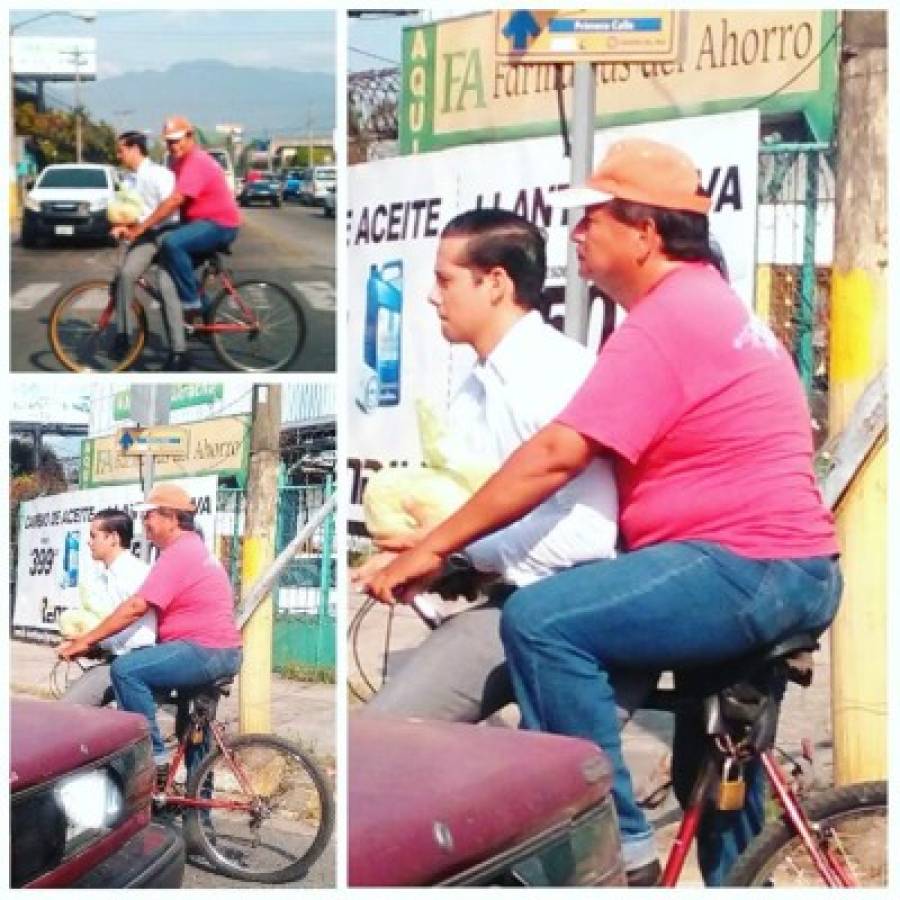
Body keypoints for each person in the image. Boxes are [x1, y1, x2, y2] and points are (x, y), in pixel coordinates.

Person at [361, 138, 841, 886]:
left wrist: (437, 547)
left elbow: (558, 455)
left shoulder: (667, 321)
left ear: (645, 233)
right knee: (713, 777)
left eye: (594, 221)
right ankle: (747, 877)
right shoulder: (713, 308)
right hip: (780, 568)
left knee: (543, 621)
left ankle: (617, 849)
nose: (577, 237)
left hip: (743, 565)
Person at [354, 208, 618, 722]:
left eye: (444, 279)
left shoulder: (558, 373)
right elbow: (487, 520)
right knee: (384, 738)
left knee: (558, 787)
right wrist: (428, 562)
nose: (433, 296)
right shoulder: (476, 388)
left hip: (573, 614)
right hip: (511, 604)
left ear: (495, 282)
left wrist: (456, 551)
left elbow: (590, 535)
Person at [58, 483, 242, 778]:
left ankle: (152, 754)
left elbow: (136, 608)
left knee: (126, 670)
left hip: (203, 649)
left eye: (150, 517)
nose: (145, 525)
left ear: (171, 519)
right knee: (195, 732)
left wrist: (86, 640)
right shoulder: (194, 550)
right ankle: (199, 815)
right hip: (216, 651)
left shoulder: (179, 553)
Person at [121, 116, 241, 371]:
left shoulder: (196, 161)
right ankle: (203, 314)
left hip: (218, 224)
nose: (173, 146)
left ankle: (192, 305)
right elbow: (159, 203)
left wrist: (143, 227)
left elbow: (175, 200)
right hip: (196, 225)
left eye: (177, 141)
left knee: (174, 244)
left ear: (190, 136)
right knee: (169, 278)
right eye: (168, 142)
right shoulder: (176, 163)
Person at [60, 508, 155, 707]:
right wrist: (86, 647)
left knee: (67, 710)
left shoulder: (134, 572)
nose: (89, 542)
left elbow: (132, 622)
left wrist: (86, 642)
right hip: (117, 660)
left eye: (94, 536)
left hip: (133, 662)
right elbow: (116, 633)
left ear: (113, 537)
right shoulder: (110, 575)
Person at [110, 131, 183, 369]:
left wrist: (140, 227)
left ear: (134, 149)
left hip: (169, 233)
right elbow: (130, 212)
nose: (118, 155)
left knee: (165, 285)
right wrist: (122, 226)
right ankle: (123, 336)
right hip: (146, 236)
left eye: (121, 150)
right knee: (125, 274)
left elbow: (169, 208)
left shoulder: (160, 174)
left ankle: (178, 351)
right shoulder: (128, 180)